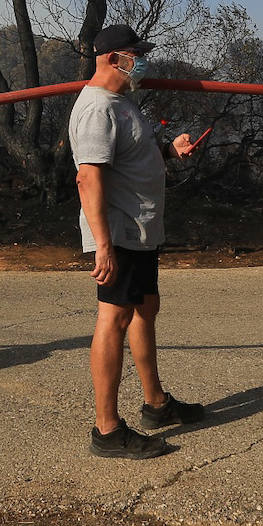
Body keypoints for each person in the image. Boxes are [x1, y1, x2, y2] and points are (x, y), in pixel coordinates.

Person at [68, 23, 204, 458]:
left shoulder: (122, 103)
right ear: (113, 59)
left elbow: (131, 155)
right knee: (114, 317)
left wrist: (168, 150)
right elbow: (88, 178)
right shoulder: (96, 108)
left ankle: (157, 404)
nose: (141, 61)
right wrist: (103, 244)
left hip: (142, 229)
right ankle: (106, 430)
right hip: (120, 232)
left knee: (145, 309)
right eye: (134, 54)